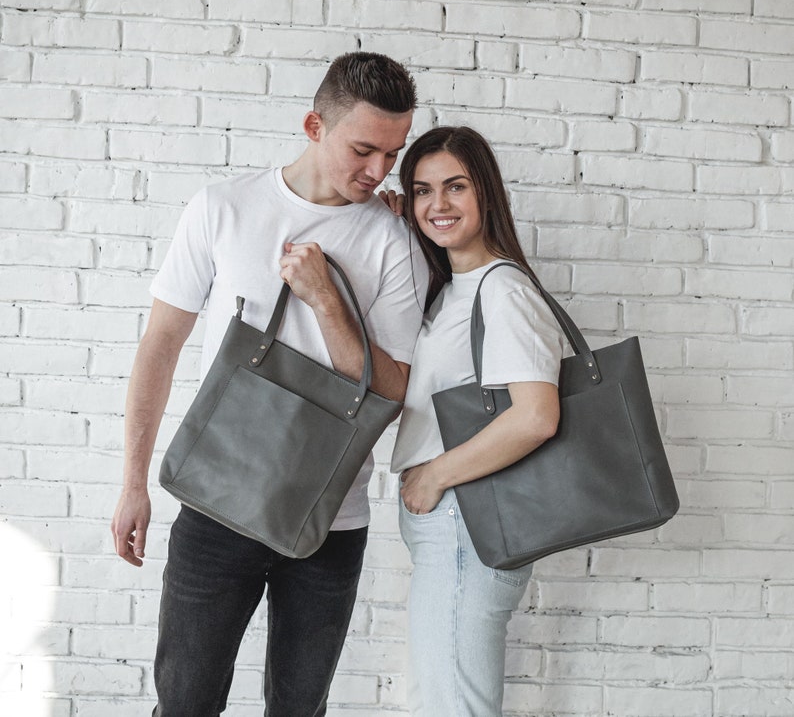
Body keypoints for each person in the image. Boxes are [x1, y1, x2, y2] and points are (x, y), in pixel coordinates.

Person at [110, 52, 429, 717]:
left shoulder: (393, 241)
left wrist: (326, 302)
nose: (376, 173)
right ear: (315, 124)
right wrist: (133, 482)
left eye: (391, 156)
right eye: (363, 149)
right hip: (215, 504)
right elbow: (160, 346)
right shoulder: (223, 209)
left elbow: (393, 391)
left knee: (298, 709)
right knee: (185, 704)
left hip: (328, 521)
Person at [389, 126, 564, 716]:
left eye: (455, 187)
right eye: (421, 190)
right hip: (455, 527)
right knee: (439, 698)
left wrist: (434, 474)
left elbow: (537, 417)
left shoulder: (502, 290)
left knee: (453, 706)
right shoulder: (456, 287)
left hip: (466, 523)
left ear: (485, 192)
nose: (437, 205)